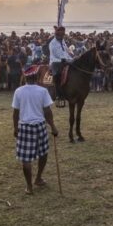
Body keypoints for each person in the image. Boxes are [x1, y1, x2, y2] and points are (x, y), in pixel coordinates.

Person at [11, 67, 58, 195]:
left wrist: (15, 128)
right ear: (37, 77)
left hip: (25, 127)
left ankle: (29, 186)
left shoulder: (19, 91)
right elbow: (47, 111)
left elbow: (15, 113)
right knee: (43, 153)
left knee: (26, 159)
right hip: (40, 126)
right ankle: (38, 178)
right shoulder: (42, 91)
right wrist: (53, 127)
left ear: (25, 77)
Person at [48, 26, 74, 101]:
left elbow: (66, 51)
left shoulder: (62, 41)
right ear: (57, 35)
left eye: (63, 35)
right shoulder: (52, 43)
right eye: (61, 35)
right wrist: (67, 60)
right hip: (56, 61)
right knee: (57, 76)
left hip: (65, 60)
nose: (63, 37)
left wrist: (72, 56)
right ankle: (59, 95)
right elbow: (57, 55)